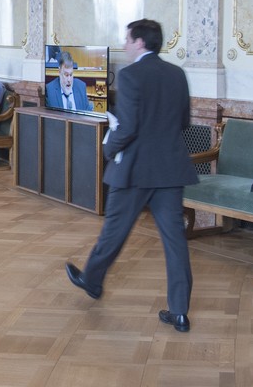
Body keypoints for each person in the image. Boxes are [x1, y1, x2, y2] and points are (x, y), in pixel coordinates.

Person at [65, 19, 198, 332]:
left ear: (140, 42)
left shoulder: (130, 74)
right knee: (175, 242)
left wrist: (108, 148)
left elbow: (127, 126)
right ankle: (179, 311)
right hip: (169, 168)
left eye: (127, 39)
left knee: (114, 231)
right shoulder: (177, 73)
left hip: (134, 169)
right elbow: (183, 122)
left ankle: (92, 280)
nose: (124, 44)